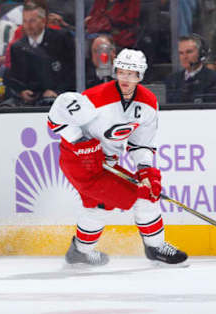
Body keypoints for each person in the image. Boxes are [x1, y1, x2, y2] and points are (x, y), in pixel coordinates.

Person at [48, 48, 188, 266]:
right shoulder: (94, 98)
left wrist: (145, 169)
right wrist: (84, 145)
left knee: (99, 205)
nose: (126, 78)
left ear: (140, 76)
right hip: (80, 163)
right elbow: (56, 120)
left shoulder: (148, 103)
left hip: (105, 165)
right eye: (122, 72)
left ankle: (79, 252)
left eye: (132, 74)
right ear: (115, 71)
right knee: (144, 195)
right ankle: (156, 247)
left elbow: (141, 142)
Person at [5, 2, 75, 105]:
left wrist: (58, 92)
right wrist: (22, 92)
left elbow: (73, 71)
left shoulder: (61, 39)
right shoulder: (17, 47)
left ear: (43, 21)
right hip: (30, 104)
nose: (28, 25)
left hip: (60, 101)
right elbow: (15, 80)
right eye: (25, 21)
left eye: (32, 21)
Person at [165, 35, 216, 103]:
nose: (184, 57)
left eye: (189, 52)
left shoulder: (215, 79)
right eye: (181, 53)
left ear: (201, 54)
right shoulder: (172, 80)